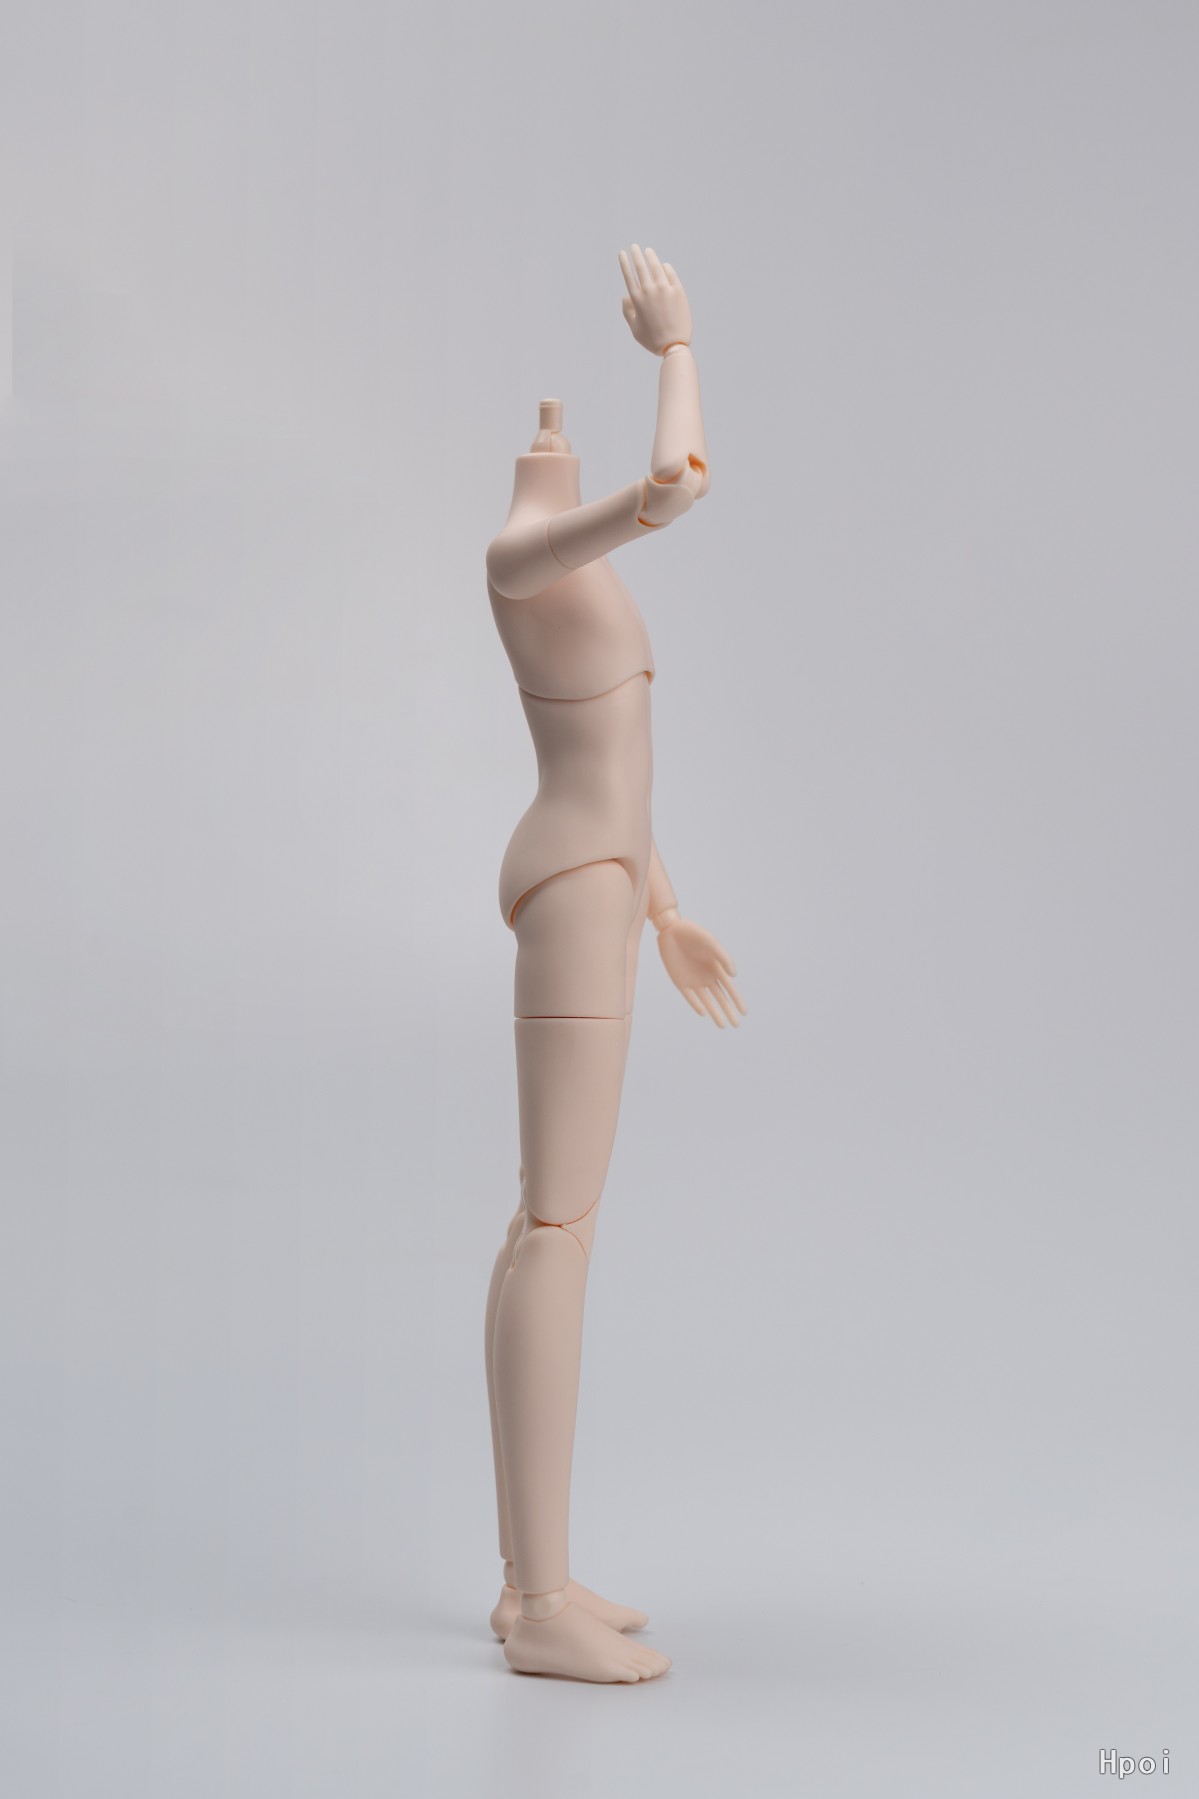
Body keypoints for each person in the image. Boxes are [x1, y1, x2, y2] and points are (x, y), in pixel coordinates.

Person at [483, 247, 745, 1682]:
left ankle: (532, 1580)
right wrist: (677, 347)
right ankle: (538, 1608)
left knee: (544, 1225)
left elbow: (619, 769)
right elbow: (675, 486)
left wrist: (669, 905)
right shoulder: (521, 557)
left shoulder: (556, 561)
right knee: (559, 1229)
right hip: (573, 892)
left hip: (605, 886)